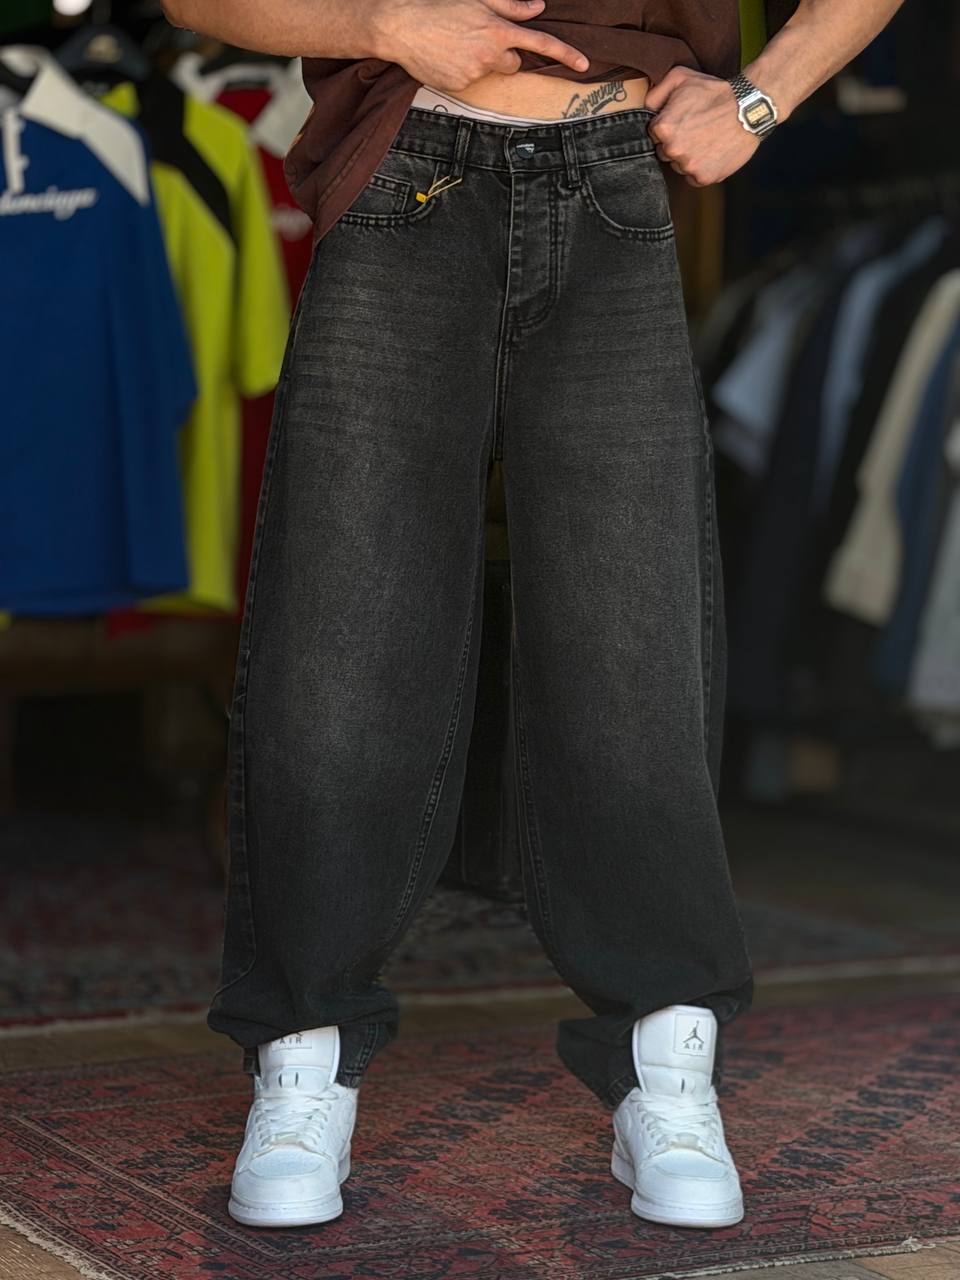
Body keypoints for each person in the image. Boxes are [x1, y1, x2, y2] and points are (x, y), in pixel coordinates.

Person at [164, 0, 907, 1233]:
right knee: (340, 644)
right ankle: (302, 1056)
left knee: (633, 647)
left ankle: (665, 1063)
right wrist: (381, 21)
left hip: (615, 176)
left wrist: (761, 98)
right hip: (406, 171)